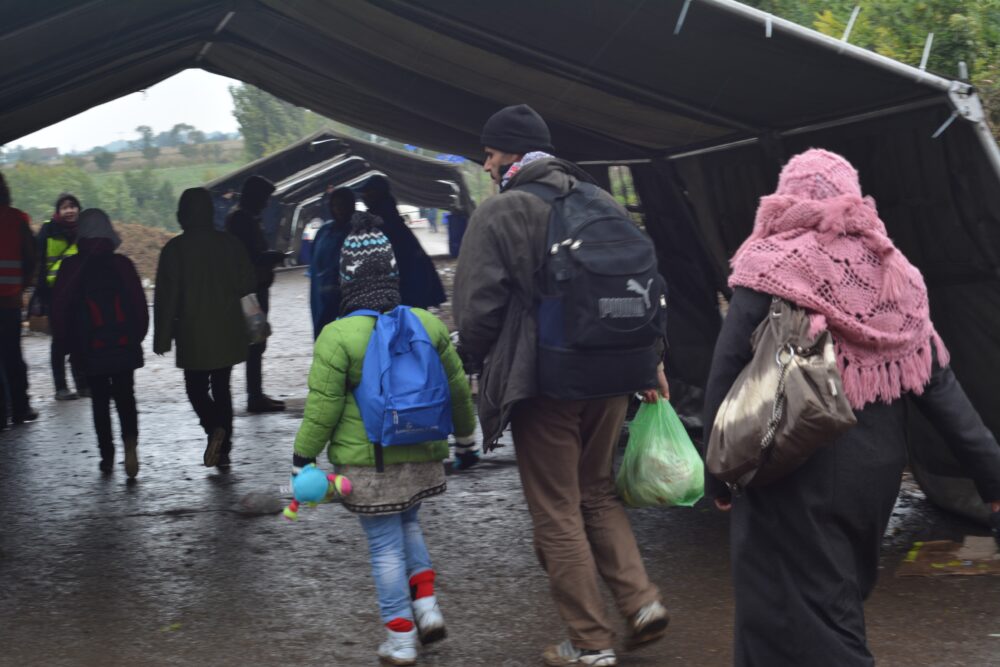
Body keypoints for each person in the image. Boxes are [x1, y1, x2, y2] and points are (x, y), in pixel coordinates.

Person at [702, 148, 1000, 667]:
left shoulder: (773, 263)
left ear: (787, 196)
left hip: (789, 465)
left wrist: (718, 474)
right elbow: (938, 384)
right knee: (819, 601)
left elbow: (726, 370)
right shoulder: (895, 273)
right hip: (873, 475)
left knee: (818, 621)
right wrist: (992, 478)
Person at [453, 104, 670, 667]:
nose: (485, 165)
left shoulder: (502, 211)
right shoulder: (598, 199)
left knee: (556, 508)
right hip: (615, 374)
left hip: (547, 379)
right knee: (595, 491)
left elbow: (476, 311)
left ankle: (591, 642)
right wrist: (650, 361)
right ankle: (641, 602)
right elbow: (645, 284)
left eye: (490, 154)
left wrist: (479, 359)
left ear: (512, 154)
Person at [292, 211, 478, 666]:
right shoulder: (427, 325)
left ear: (347, 281)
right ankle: (427, 608)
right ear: (393, 276)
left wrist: (303, 457)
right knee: (410, 524)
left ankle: (400, 639)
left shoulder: (338, 336)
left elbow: (322, 407)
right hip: (421, 454)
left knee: (384, 546)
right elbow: (457, 388)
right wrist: (465, 438)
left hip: (369, 465)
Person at [155, 188, 256, 470]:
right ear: (210, 211)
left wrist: (162, 337)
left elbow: (166, 298)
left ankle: (213, 429)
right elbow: (248, 283)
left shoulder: (174, 250)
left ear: (182, 214)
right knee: (222, 388)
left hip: (192, 335)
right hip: (227, 331)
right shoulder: (230, 244)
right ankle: (223, 448)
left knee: (196, 389)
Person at [51, 209, 146, 477]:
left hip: (89, 348)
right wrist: (135, 338)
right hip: (123, 345)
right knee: (126, 396)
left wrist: (67, 345)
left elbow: (59, 309)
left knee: (100, 401)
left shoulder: (72, 267)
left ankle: (107, 456)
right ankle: (130, 443)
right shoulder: (122, 265)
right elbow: (139, 306)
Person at [226, 175, 286, 413]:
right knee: (254, 342)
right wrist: (272, 257)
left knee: (255, 342)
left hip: (252, 289)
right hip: (249, 292)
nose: (266, 203)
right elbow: (249, 256)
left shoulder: (242, 218)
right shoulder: (242, 220)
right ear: (255, 197)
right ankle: (254, 396)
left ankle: (255, 393)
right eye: (264, 198)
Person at [361, 176, 445, 310]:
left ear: (375, 194)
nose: (363, 197)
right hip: (408, 286)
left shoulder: (382, 220)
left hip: (402, 287)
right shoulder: (388, 217)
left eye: (367, 193)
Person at [36, 192, 89, 400]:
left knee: (80, 339)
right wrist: (40, 294)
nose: (69, 211)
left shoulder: (84, 230)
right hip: (55, 295)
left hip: (79, 294)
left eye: (73, 206)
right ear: (58, 211)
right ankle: (61, 387)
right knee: (59, 340)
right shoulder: (48, 230)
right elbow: (39, 261)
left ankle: (82, 384)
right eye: (65, 207)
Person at [0, 172, 38, 428]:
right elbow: (31, 258)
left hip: (11, 299)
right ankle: (20, 408)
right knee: (13, 356)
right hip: (10, 301)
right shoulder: (16, 219)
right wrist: (21, 286)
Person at [309, 187, 355, 338]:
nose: (339, 209)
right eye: (335, 205)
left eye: (343, 204)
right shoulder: (324, 232)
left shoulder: (360, 231)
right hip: (322, 299)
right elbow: (314, 265)